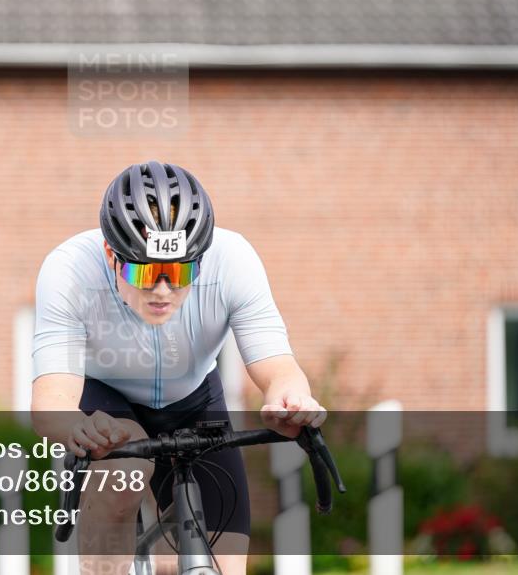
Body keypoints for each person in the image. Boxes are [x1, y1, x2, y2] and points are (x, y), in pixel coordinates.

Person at [31, 160, 326, 575]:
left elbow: (278, 367)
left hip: (194, 398)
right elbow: (52, 402)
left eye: (180, 272)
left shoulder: (234, 259)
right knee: (124, 471)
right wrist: (76, 427)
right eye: (146, 272)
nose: (163, 291)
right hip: (107, 403)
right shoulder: (68, 270)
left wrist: (289, 399)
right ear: (110, 254)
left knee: (223, 567)